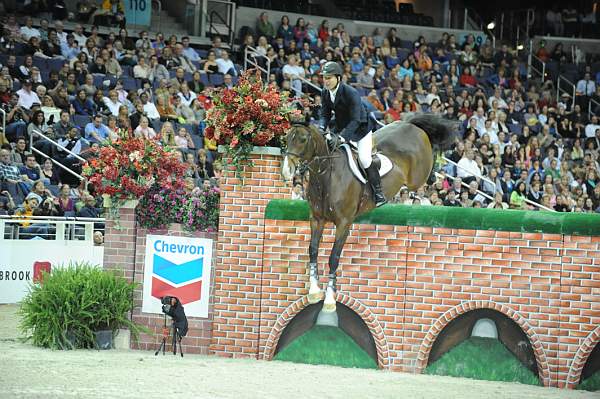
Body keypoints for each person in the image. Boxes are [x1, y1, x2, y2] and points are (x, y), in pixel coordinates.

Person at [318, 61, 386, 206]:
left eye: (329, 77)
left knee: (364, 159)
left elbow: (355, 120)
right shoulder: (325, 92)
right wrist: (321, 128)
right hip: (341, 125)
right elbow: (325, 114)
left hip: (360, 128)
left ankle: (379, 193)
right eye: (324, 77)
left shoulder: (351, 92)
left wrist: (342, 137)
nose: (326, 81)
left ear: (338, 78)